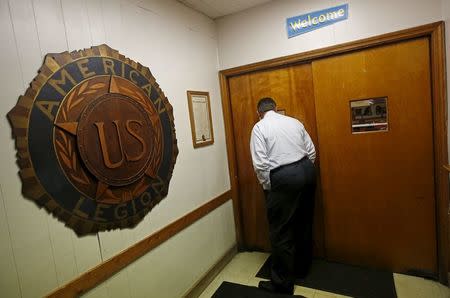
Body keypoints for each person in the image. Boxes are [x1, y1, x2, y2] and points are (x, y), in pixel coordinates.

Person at [250, 97, 316, 295]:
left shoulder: (259, 128)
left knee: (281, 232)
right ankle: (302, 270)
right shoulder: (294, 122)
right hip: (307, 170)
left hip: (284, 178)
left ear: (258, 112)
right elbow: (311, 151)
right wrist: (304, 170)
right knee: (304, 223)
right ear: (276, 108)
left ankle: (282, 284)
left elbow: (260, 164)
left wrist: (272, 186)